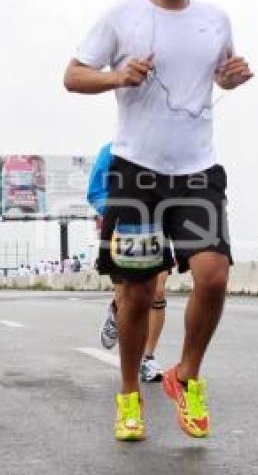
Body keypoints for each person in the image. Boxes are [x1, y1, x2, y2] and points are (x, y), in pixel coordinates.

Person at [64, 0, 252, 441]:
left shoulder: (215, 20)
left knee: (213, 275)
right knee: (139, 291)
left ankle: (185, 375)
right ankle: (128, 394)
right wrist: (116, 76)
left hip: (197, 169)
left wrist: (230, 78)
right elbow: (73, 74)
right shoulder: (121, 16)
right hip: (136, 172)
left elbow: (219, 73)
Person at [90, 142, 168, 384]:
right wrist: (123, 210)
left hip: (157, 229)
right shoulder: (111, 151)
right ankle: (117, 310)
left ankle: (147, 357)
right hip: (121, 232)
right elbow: (95, 192)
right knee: (128, 296)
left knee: (157, 291)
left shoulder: (164, 149)